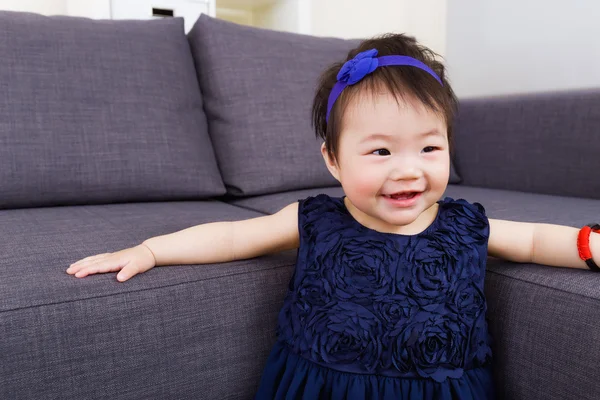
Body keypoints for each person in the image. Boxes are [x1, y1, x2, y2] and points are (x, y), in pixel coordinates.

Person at [66, 33, 600, 399]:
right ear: (333, 159)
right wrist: (152, 249)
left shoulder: (464, 225)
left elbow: (532, 240)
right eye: (381, 152)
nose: (408, 171)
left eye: (429, 149)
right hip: (322, 385)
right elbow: (232, 236)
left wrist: (590, 246)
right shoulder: (315, 220)